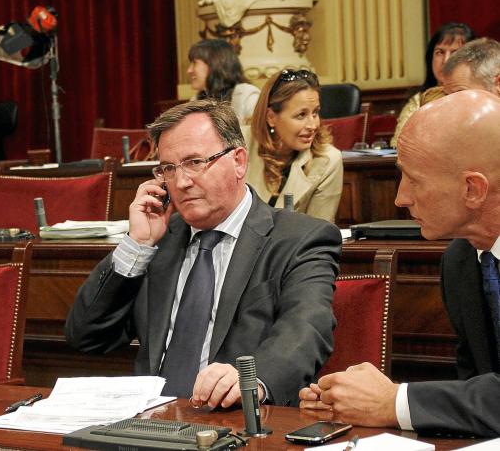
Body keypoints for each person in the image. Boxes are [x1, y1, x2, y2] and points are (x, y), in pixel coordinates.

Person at [66, 99, 341, 407]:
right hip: (150, 421)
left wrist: (252, 380)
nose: (182, 182)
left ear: (238, 161)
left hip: (234, 419)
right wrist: (137, 244)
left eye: (195, 162)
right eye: (169, 169)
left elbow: (306, 329)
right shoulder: (158, 242)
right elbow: (86, 336)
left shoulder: (300, 239)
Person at [299, 90, 500, 437]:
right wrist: (358, 400)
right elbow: (477, 388)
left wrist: (394, 402)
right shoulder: (461, 262)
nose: (400, 198)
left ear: (472, 189)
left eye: (415, 180)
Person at [242, 69, 342, 222]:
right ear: (271, 117)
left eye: (315, 113)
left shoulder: (328, 160)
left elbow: (320, 231)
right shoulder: (239, 144)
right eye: (301, 115)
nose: (313, 125)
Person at [391, 22, 474, 147]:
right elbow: (399, 145)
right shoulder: (418, 101)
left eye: (455, 53)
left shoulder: (479, 98)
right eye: (440, 52)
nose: (446, 60)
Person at [187, 39, 260, 124]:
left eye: (194, 63)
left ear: (214, 64)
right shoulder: (195, 100)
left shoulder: (247, 96)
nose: (189, 70)